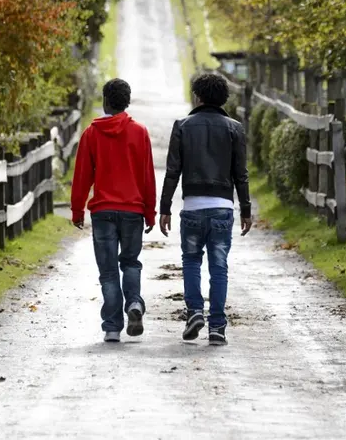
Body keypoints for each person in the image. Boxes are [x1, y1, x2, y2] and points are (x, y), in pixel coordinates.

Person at [159, 73, 252, 346]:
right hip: (222, 208)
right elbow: (241, 174)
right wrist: (246, 209)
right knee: (219, 267)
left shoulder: (183, 126)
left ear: (197, 96)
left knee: (191, 261)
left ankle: (195, 312)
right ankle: (217, 327)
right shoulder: (235, 128)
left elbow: (172, 171)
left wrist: (165, 207)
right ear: (224, 98)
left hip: (192, 207)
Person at [71, 79, 156, 343]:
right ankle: (134, 303)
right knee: (130, 262)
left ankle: (112, 327)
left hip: (103, 211)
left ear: (105, 100)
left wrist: (77, 211)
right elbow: (147, 175)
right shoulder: (139, 132)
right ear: (127, 102)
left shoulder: (91, 133)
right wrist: (150, 212)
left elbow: (82, 175)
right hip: (132, 211)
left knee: (108, 271)